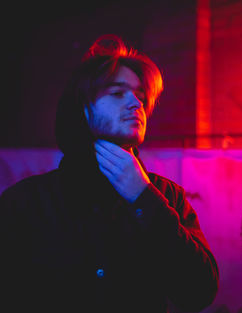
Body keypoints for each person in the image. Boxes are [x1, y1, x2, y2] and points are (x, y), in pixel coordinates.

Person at [0, 34, 219, 313]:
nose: (136, 103)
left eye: (141, 95)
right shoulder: (25, 203)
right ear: (82, 109)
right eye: (117, 93)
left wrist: (144, 200)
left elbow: (199, 292)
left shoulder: (166, 197)